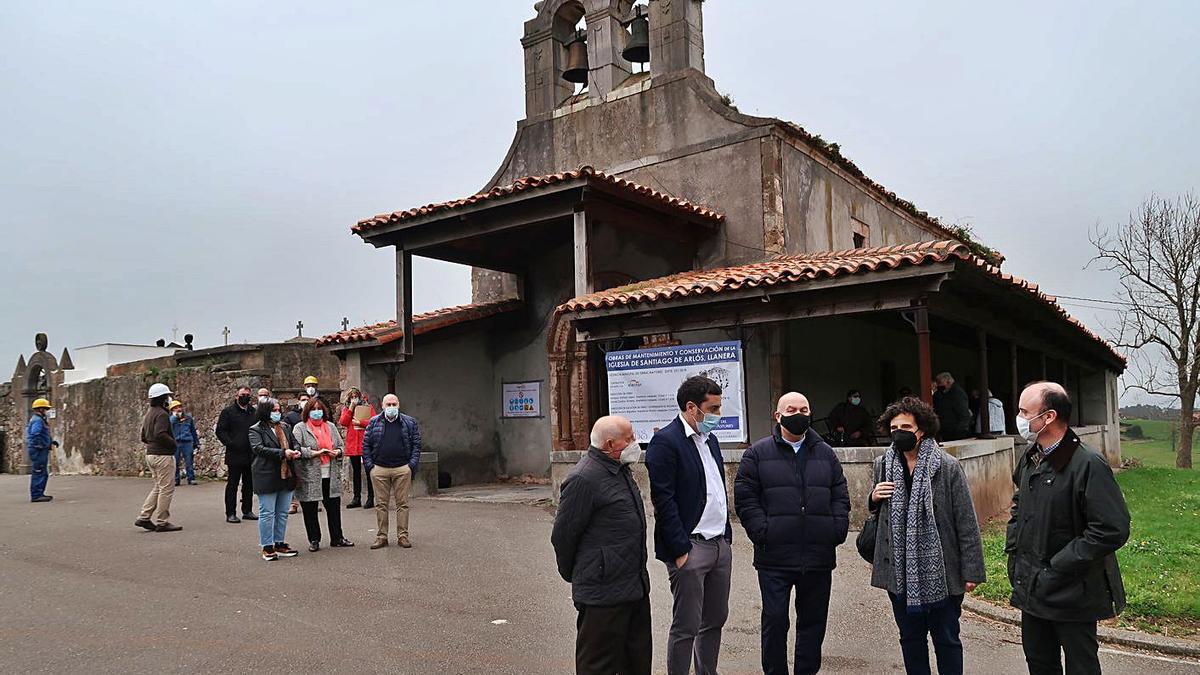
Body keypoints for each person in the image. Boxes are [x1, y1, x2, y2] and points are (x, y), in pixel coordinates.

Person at [1007, 382, 1130, 675]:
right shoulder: (1030, 456)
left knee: (1081, 667)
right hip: (1033, 590)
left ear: (1048, 417)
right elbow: (1019, 502)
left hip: (1073, 592)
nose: (1020, 418)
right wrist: (1014, 550)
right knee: (1039, 663)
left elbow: (1112, 528)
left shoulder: (1088, 464)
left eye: (1025, 412)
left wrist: (1058, 565)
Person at [734, 392, 850, 675]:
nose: (798, 414)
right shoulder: (757, 454)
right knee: (774, 620)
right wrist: (762, 531)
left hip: (818, 555)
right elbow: (745, 498)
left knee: (813, 622)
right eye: (791, 409)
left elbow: (840, 495)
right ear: (778, 415)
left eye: (804, 409)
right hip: (774, 555)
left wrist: (835, 530)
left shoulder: (825, 453)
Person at [868, 397, 985, 675]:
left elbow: (966, 522)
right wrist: (873, 498)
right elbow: (877, 515)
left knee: (946, 639)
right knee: (910, 640)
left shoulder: (947, 466)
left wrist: (971, 571)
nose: (899, 433)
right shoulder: (883, 465)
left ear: (922, 430)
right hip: (899, 573)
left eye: (906, 426)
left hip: (942, 572)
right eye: (894, 427)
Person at [644, 375, 732, 675]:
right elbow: (663, 501)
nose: (718, 415)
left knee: (715, 619)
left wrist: (726, 537)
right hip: (690, 546)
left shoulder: (711, 440)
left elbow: (716, 487)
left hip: (719, 545)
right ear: (692, 407)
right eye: (714, 408)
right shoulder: (665, 442)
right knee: (687, 625)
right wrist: (681, 549)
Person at [551, 416, 651, 675]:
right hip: (602, 595)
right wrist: (582, 575)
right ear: (609, 444)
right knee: (598, 666)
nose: (635, 443)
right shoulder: (584, 479)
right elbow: (563, 537)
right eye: (629, 438)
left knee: (637, 662)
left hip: (633, 587)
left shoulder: (619, 469)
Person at [292, 397, 353, 552]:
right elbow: (297, 449)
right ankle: (314, 539)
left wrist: (337, 452)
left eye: (319, 409)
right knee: (310, 509)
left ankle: (337, 537)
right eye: (313, 409)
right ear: (307, 412)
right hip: (310, 475)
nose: (316, 412)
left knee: (333, 507)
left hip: (330, 473)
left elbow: (341, 446)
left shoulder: (331, 426)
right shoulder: (300, 428)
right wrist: (314, 453)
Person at [362, 394, 422, 549]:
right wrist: (370, 467)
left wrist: (411, 465)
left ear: (399, 405)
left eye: (394, 404)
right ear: (382, 406)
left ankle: (403, 536)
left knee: (403, 504)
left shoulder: (409, 422)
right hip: (379, 468)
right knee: (381, 504)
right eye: (388, 404)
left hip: (402, 468)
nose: (391, 407)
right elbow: (366, 445)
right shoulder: (373, 422)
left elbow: (416, 444)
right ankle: (382, 537)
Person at [248, 398, 302, 561]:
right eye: (274, 410)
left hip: (286, 474)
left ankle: (279, 543)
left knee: (282, 512)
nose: (278, 413)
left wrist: (296, 451)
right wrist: (282, 453)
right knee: (267, 512)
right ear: (265, 411)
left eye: (279, 410)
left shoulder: (285, 426)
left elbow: (294, 442)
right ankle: (267, 546)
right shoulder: (255, 429)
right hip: (267, 474)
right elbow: (259, 449)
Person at [134, 383, 183, 532]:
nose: (169, 399)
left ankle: (144, 516)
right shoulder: (162, 414)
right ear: (162, 398)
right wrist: (173, 444)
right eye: (167, 396)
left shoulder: (150, 413)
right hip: (162, 455)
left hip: (151, 454)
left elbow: (144, 436)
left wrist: (152, 444)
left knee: (158, 487)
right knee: (166, 488)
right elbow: (160, 433)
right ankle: (162, 521)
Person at [216, 386, 258, 523]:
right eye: (242, 394)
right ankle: (230, 513)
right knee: (232, 484)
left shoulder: (253, 412)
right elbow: (220, 431)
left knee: (249, 484)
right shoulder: (228, 412)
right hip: (234, 454)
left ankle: (247, 510)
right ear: (236, 396)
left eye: (247, 394)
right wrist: (231, 443)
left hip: (250, 454)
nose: (245, 396)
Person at [339, 387, 377, 509]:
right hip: (353, 444)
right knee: (355, 472)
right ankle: (357, 498)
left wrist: (360, 423)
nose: (354, 398)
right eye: (352, 396)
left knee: (368, 471)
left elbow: (374, 421)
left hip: (365, 442)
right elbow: (343, 422)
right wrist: (350, 409)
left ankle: (371, 498)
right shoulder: (346, 408)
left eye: (356, 395)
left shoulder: (367, 407)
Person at [26, 398, 58, 503]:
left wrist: (51, 442)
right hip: (38, 450)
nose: (47, 411)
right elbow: (35, 434)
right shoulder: (38, 420)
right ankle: (36, 495)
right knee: (39, 471)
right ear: (40, 409)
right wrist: (39, 445)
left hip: (40, 448)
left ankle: (39, 493)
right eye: (45, 409)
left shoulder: (38, 419)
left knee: (43, 472)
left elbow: (42, 434)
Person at [932, 373, 972, 441]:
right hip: (945, 432)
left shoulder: (958, 394)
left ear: (948, 382)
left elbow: (963, 414)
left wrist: (959, 431)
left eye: (940, 383)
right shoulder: (941, 394)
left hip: (956, 434)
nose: (938, 385)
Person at [169, 400, 200, 486]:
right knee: (175, 462)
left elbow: (193, 430)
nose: (178, 409)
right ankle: (176, 479)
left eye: (179, 407)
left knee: (189, 461)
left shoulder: (188, 418)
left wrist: (196, 442)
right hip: (175, 442)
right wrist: (175, 417)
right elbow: (169, 427)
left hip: (187, 441)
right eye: (175, 408)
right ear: (172, 410)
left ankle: (191, 478)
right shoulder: (170, 419)